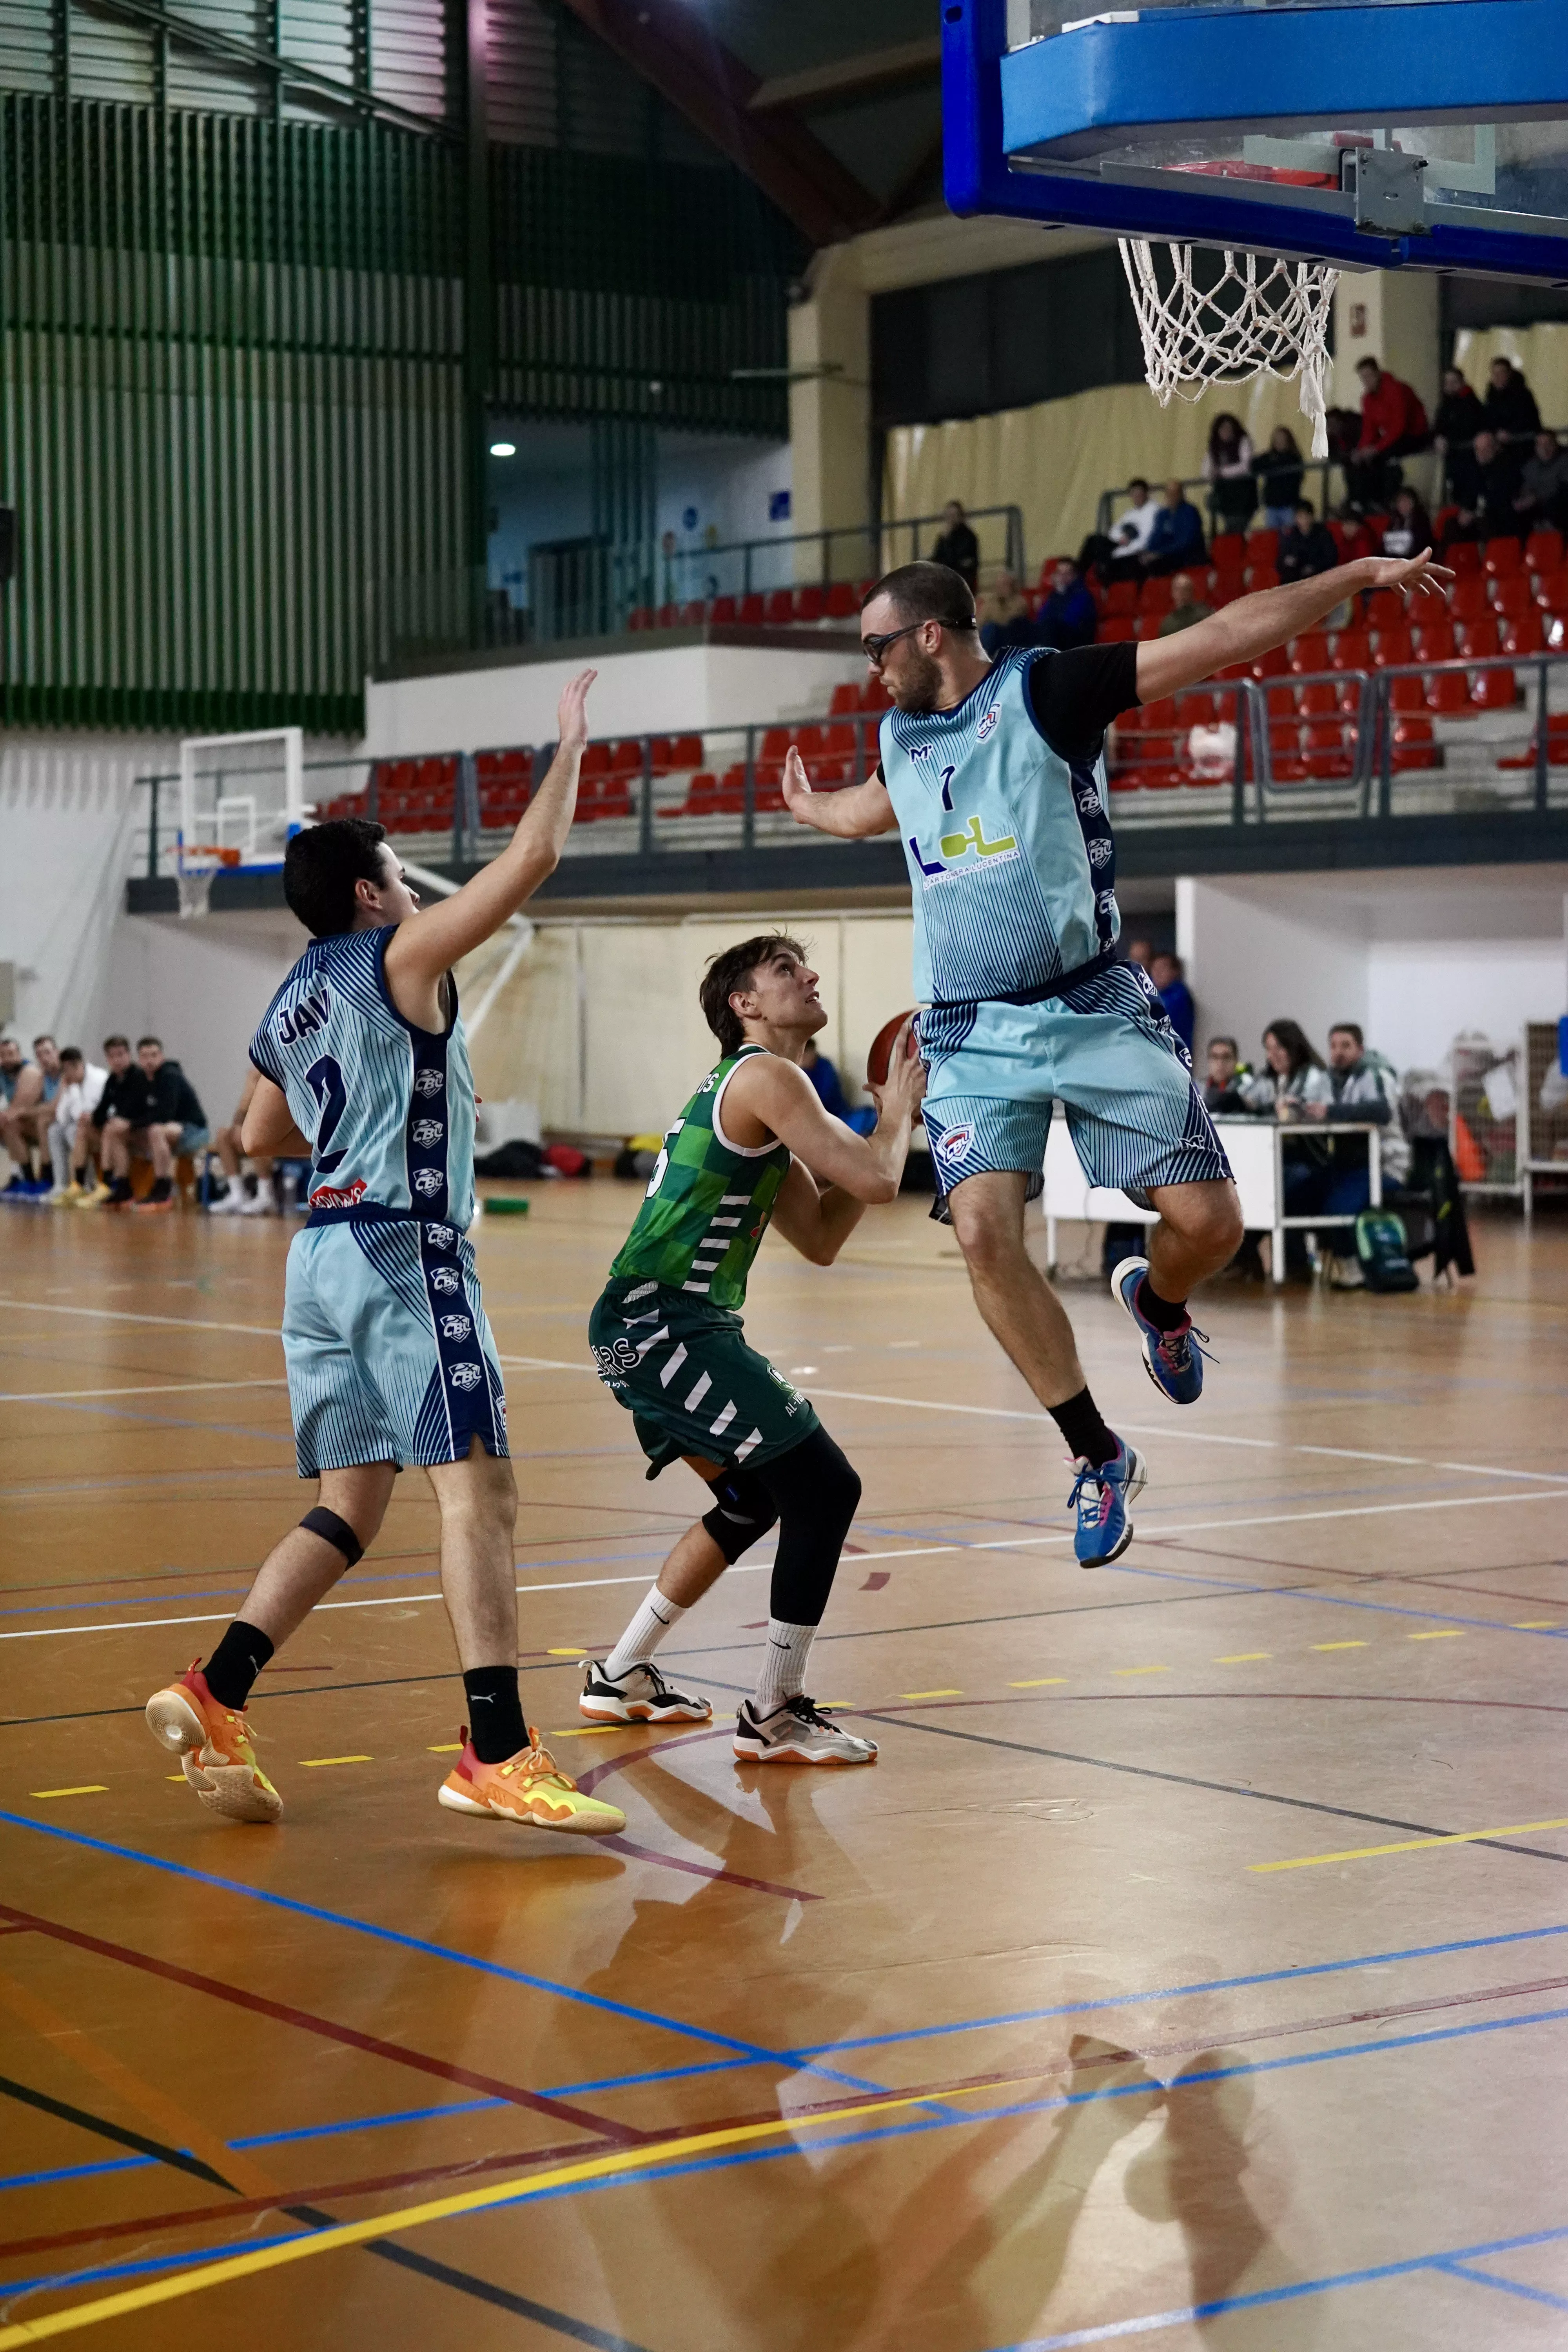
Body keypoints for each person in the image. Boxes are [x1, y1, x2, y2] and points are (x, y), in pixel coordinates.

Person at [780, 537, 1446, 1561]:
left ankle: (1160, 1297)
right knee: (982, 1235)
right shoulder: (899, 737)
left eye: (878, 650)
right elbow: (878, 807)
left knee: (1214, 1225)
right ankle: (1096, 1454)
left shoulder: (1050, 691)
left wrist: (1354, 579)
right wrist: (816, 810)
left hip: (1091, 1003)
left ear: (929, 634)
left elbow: (1220, 639)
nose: (870, 671)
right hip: (968, 1026)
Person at [142, 668, 631, 1837]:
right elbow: (532, 863)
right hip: (404, 1249)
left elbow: (259, 1134)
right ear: (371, 891)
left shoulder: (296, 991)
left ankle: (217, 1689)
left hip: (316, 1257)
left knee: (350, 1507)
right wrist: (566, 747)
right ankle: (496, 1747)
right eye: (402, 878)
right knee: (482, 1492)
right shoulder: (399, 956)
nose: (414, 891)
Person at [582, 937, 924, 1763]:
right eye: (785, 971)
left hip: (651, 1323)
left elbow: (820, 1235)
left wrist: (888, 1127)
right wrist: (896, 1111)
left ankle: (620, 1673)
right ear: (744, 1005)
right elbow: (878, 1180)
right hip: (663, 1321)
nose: (808, 977)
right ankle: (774, 1713)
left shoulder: (756, 1096)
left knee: (751, 1501)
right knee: (824, 1487)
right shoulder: (768, 1076)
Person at [93, 1036, 209, 1212]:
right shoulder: (144, 1080)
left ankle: (163, 1189)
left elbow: (164, 1116)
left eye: (154, 1055)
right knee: (117, 1132)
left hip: (193, 1130)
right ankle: (123, 1187)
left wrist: (131, 1125)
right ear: (139, 1059)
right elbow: (136, 1113)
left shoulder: (170, 1076)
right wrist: (125, 1125)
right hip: (167, 1131)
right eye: (145, 1057)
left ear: (161, 1056)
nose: (150, 1061)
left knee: (155, 1130)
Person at [1348, 357, 1430, 509]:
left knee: (1384, 457)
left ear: (1378, 374)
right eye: (1363, 378)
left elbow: (1399, 427)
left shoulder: (1396, 390)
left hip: (1415, 435)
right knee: (1356, 461)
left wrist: (1376, 449)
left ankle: (1388, 501)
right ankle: (1361, 503)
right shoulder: (1367, 399)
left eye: (1369, 376)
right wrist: (1362, 450)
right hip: (1392, 438)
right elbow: (1369, 430)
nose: (1366, 381)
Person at [208, 1064, 276, 1214]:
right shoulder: (255, 1075)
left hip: (288, 1130)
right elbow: (242, 1112)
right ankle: (237, 1193)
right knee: (223, 1135)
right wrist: (239, 1124)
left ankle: (266, 1194)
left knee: (255, 1134)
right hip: (260, 1126)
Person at [1, 1034, 61, 1197]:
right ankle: (27, 1180)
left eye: (48, 1052)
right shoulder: (44, 1074)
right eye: (40, 1054)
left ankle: (49, 1178)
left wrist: (19, 1112)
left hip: (61, 1124)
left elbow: (51, 1107)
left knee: (41, 1122)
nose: (44, 1058)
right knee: (11, 1125)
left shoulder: (32, 1072)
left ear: (58, 1052)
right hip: (45, 1123)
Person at [45, 1047, 107, 1201]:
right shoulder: (70, 1084)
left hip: (100, 1127)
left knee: (75, 1131)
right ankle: (60, 1184)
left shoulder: (100, 1079)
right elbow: (62, 1117)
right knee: (55, 1130)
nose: (65, 1075)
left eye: (66, 1071)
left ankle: (88, 1184)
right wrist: (64, 1091)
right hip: (80, 1126)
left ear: (78, 1065)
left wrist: (85, 1117)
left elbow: (97, 1112)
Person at [1446, 428, 1525, 543]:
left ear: (1495, 448)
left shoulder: (1506, 468)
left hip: (1500, 517)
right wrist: (1467, 510)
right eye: (1478, 450)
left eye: (1485, 449)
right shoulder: (1474, 470)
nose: (1481, 454)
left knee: (1487, 523)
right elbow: (1470, 494)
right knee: (1451, 525)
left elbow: (1504, 497)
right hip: (1477, 516)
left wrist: (1477, 513)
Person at [801, 1035, 875, 1136]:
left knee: (871, 1115)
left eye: (807, 1054)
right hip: (812, 1121)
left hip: (835, 1116)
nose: (804, 1059)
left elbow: (825, 1096)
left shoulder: (825, 1067)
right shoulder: (799, 1071)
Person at [1202, 413, 1255, 534]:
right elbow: (1206, 471)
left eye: (1228, 428)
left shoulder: (1243, 441)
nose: (1226, 432)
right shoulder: (1215, 447)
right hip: (1225, 496)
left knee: (1237, 527)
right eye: (1222, 429)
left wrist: (1221, 472)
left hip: (1243, 495)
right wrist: (1213, 474)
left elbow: (1245, 467)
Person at [1141, 479, 1206, 576]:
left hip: (1186, 556)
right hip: (1165, 555)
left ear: (1182, 495)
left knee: (1156, 564)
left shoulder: (1190, 512)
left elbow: (1187, 543)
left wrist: (1161, 553)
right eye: (1169, 494)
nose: (1172, 497)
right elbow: (1155, 538)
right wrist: (1149, 552)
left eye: (1175, 494)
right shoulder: (1162, 515)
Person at [1035, 558, 1097, 652]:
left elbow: (1070, 620)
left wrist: (1060, 594)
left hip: (1076, 638)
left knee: (1050, 627)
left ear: (1075, 576)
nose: (1063, 577)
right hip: (1057, 635)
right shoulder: (1055, 594)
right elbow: (1041, 618)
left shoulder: (1082, 595)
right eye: (1060, 573)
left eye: (1067, 573)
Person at [1514, 430, 1568, 534]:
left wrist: (1537, 498)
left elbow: (1563, 487)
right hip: (1536, 508)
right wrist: (1522, 500)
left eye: (1548, 444)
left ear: (1555, 445)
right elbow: (1527, 486)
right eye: (1540, 445)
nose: (1544, 449)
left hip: (1558, 506)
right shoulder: (1531, 466)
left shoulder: (1565, 461)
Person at [1276, 499, 1339, 583]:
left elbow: (1331, 557)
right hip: (1296, 576)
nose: (1304, 520)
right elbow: (1280, 562)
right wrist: (1287, 561)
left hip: (1318, 575)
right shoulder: (1292, 536)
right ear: (1296, 518)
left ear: (1312, 517)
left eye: (1306, 516)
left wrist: (1315, 567)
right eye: (1300, 517)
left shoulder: (1323, 534)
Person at [1254, 427, 1305, 532]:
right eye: (1277, 439)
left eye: (1282, 439)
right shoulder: (1269, 457)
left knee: (1290, 535)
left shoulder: (1294, 459)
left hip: (1288, 505)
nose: (1279, 442)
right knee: (1272, 536)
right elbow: (1254, 465)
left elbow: (1298, 478)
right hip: (1272, 505)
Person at [1433, 365, 1485, 465]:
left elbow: (1469, 427)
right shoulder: (1444, 406)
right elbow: (1439, 425)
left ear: (1462, 383)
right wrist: (1439, 437)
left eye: (1454, 382)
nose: (1450, 386)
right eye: (1447, 382)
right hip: (1453, 458)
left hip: (1471, 459)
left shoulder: (1472, 404)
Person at [1485, 356, 1541, 445]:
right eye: (1495, 374)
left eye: (1501, 373)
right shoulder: (1491, 396)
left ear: (1509, 374)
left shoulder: (1523, 395)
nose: (1497, 377)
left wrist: (1510, 432)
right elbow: (1488, 418)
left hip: (1521, 442)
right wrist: (1495, 432)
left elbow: (1528, 420)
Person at [1108, 479, 1159, 575]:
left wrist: (1129, 544)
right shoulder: (1130, 513)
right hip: (1122, 550)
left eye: (1139, 493)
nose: (1136, 496)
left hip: (1137, 554)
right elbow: (1113, 531)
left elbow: (1146, 539)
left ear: (1146, 493)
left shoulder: (1154, 511)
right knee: (1094, 541)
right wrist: (1122, 538)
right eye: (1133, 493)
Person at [978, 570, 1033, 655]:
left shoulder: (1020, 602)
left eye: (1005, 584)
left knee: (1012, 625)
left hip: (1011, 636)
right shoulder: (990, 602)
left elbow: (1008, 621)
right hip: (994, 636)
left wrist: (1006, 600)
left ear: (1012, 586)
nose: (1002, 587)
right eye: (1000, 584)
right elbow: (981, 623)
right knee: (989, 628)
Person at [1150, 951, 1194, 1054]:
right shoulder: (1152, 992)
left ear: (1175, 972)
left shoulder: (1179, 996)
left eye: (1163, 969)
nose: (1157, 973)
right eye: (1155, 968)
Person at [931, 500, 979, 590]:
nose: (951, 519)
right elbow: (937, 558)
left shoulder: (968, 537)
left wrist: (947, 541)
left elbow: (958, 559)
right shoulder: (944, 537)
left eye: (954, 515)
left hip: (963, 579)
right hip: (946, 577)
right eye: (949, 516)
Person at [1380, 485, 1432, 561]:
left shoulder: (1422, 522)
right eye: (1400, 502)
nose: (1403, 505)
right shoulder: (1394, 521)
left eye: (1406, 501)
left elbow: (1423, 546)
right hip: (1392, 562)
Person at [1201, 1037, 1250, 1115]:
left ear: (1236, 1061)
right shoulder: (1196, 1089)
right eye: (1215, 1057)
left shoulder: (1248, 1088)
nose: (1220, 1063)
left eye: (1226, 1057)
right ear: (1209, 1061)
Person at [1156, 572, 1213, 637]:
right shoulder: (1168, 624)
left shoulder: (1205, 616)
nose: (1181, 593)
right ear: (1172, 593)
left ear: (1192, 592)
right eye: (1178, 589)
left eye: (1186, 589)